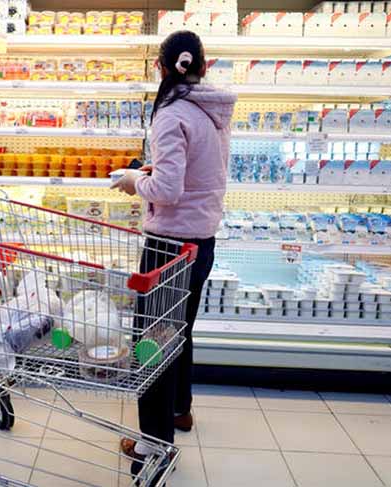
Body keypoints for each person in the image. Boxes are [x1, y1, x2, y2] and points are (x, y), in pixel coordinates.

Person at [111, 30, 236, 482]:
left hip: (168, 246)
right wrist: (150, 169)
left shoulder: (170, 114)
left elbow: (168, 190)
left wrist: (132, 182)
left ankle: (153, 442)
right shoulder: (213, 110)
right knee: (179, 332)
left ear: (162, 68)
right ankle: (180, 410)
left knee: (151, 344)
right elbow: (198, 170)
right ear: (205, 66)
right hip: (201, 243)